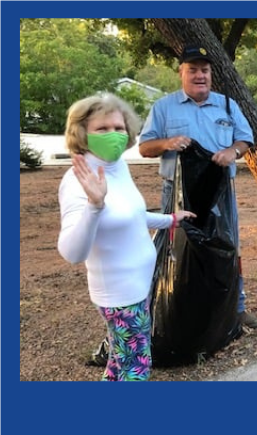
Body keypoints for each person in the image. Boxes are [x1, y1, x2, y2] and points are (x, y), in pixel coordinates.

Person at [58, 93, 197, 381]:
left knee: (119, 360)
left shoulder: (117, 167)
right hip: (119, 294)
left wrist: (171, 219)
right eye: (102, 129)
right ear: (82, 133)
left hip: (136, 287)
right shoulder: (78, 180)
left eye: (119, 127)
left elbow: (131, 215)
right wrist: (94, 206)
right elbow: (72, 253)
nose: (114, 134)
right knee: (136, 367)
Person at [137, 44, 257, 329]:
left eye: (204, 70)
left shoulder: (227, 105)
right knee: (171, 248)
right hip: (177, 193)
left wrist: (233, 152)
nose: (199, 75)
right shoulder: (164, 107)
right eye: (192, 70)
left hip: (220, 193)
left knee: (227, 245)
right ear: (181, 73)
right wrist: (166, 143)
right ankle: (166, 306)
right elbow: (144, 147)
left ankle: (235, 308)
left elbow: (245, 140)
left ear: (211, 74)